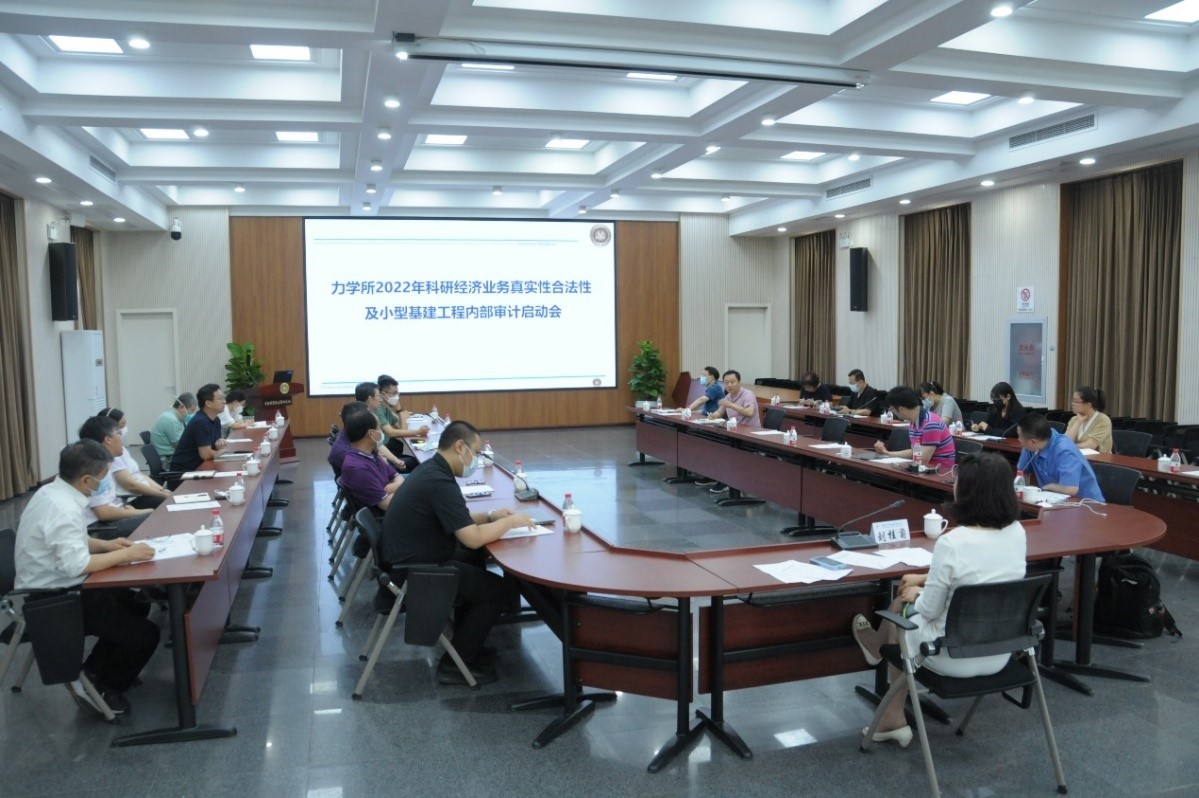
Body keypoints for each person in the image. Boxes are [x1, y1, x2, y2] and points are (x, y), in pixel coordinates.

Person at [850, 452, 1027, 746]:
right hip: (999, 652)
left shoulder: (952, 542)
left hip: (950, 656)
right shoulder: (1017, 532)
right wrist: (926, 579)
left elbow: (930, 610)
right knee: (905, 605)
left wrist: (918, 593)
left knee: (902, 610)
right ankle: (877, 655)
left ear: (967, 492)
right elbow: (982, 577)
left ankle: (891, 711)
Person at [379, 420, 531, 685]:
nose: (476, 460)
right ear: (460, 447)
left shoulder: (432, 470)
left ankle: (467, 646)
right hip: (414, 573)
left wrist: (492, 515)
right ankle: (454, 665)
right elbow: (472, 538)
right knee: (499, 592)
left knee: (474, 561)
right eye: (476, 452)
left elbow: (458, 518)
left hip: (411, 558)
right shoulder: (438, 480)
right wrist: (510, 523)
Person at [14, 440, 159, 715]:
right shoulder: (63, 508)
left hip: (62, 584)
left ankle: (93, 672)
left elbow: (73, 541)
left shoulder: (54, 492)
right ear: (86, 480)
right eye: (103, 477)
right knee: (146, 635)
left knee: (137, 603)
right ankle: (106, 689)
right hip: (56, 598)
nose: (105, 483)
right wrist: (127, 554)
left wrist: (108, 545)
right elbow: (76, 565)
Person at [77, 415, 154, 536]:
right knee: (155, 518)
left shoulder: (106, 463)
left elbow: (110, 501)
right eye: (119, 433)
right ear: (108, 439)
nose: (122, 438)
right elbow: (103, 512)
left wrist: (129, 509)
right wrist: (139, 512)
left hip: (116, 513)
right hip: (101, 527)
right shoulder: (94, 468)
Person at [1016, 413, 1105, 500]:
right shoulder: (1030, 446)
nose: (1018, 440)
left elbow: (1070, 489)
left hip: (1085, 503)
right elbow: (1021, 473)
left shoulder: (1065, 450)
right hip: (1052, 499)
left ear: (1033, 441)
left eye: (1020, 436)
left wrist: (1049, 487)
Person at [96, 408, 171, 508]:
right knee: (169, 502)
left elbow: (139, 474)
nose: (123, 430)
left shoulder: (121, 449)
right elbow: (130, 485)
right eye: (121, 426)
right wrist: (162, 494)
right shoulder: (112, 455)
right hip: (133, 498)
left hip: (144, 492)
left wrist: (162, 490)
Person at [873, 386, 956, 470]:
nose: (893, 412)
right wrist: (886, 453)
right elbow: (914, 452)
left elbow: (923, 459)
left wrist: (899, 464)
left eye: (892, 409)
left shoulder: (931, 424)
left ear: (901, 409)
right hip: (924, 468)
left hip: (940, 471)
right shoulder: (913, 421)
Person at [339, 410, 404, 512]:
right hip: (388, 515)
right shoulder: (358, 468)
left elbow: (398, 477)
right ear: (371, 433)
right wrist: (405, 490)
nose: (381, 431)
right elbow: (386, 504)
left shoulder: (372, 453)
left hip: (393, 501)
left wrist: (392, 487)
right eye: (379, 428)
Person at [353, 381, 410, 473]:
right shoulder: (366, 420)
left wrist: (396, 461)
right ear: (370, 399)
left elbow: (378, 445)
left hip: (379, 459)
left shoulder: (367, 414)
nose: (380, 399)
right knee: (417, 464)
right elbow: (376, 447)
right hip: (374, 467)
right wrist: (419, 431)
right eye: (379, 396)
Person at [171, 383, 227, 473]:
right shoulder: (200, 421)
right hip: (185, 473)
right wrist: (219, 452)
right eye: (220, 398)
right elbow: (206, 455)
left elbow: (214, 446)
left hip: (201, 468)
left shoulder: (216, 420)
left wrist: (219, 445)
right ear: (208, 403)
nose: (224, 401)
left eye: (223, 398)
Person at [376, 374, 425, 470]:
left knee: (418, 460)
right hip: (383, 455)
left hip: (388, 451)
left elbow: (403, 430)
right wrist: (419, 432)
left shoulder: (387, 408)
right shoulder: (378, 409)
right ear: (383, 394)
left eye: (397, 393)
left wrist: (399, 411)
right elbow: (391, 433)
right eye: (394, 393)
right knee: (420, 462)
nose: (396, 396)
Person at [150, 392, 197, 464]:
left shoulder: (172, 415)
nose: (191, 415)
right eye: (190, 412)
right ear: (181, 407)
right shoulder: (172, 420)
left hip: (170, 455)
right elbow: (181, 446)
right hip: (168, 460)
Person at [1064, 386, 1113, 453]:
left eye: (1075, 401)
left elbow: (1091, 445)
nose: (1072, 404)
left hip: (1099, 458)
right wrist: (1078, 422)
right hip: (1077, 456)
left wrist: (1070, 446)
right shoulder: (1074, 419)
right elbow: (1066, 441)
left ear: (1088, 404)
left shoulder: (1103, 420)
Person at [328, 401, 371, 475]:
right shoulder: (345, 453)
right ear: (358, 423)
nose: (373, 421)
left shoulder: (356, 438)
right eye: (369, 418)